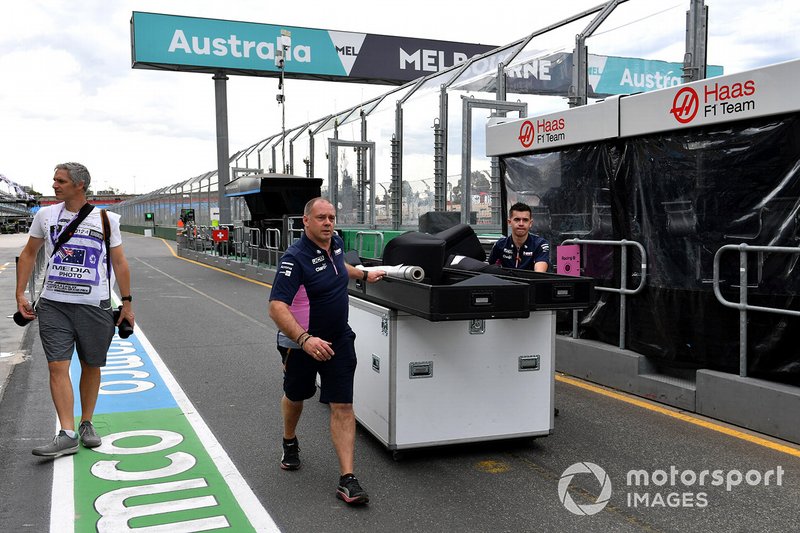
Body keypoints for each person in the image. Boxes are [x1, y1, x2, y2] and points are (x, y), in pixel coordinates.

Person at [268, 197, 384, 506]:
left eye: (332, 216)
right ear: (306, 221)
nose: (328, 222)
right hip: (302, 344)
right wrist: (305, 340)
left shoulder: (336, 243)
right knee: (296, 396)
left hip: (338, 340)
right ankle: (289, 441)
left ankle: (348, 479)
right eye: (321, 217)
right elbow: (276, 307)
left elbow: (338, 266)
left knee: (342, 405)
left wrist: (363, 274)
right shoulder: (294, 259)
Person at [15, 162, 134, 457]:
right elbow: (29, 253)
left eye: (61, 181)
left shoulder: (107, 219)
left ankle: (86, 423)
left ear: (79, 185)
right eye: (54, 180)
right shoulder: (45, 215)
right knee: (57, 364)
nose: (54, 185)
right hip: (54, 304)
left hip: (94, 304)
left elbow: (119, 262)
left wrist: (128, 303)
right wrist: (19, 293)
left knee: (91, 364)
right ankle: (66, 433)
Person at [488, 201, 550, 272]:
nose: (521, 224)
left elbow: (539, 274)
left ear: (530, 223)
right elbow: (489, 269)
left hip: (531, 282)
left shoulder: (540, 244)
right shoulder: (500, 245)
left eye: (525, 220)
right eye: (517, 220)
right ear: (509, 222)